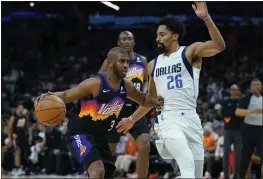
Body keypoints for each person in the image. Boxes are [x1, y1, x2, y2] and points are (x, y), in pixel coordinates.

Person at [116, 2, 226, 178]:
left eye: (162, 34)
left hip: (192, 120)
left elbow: (219, 46)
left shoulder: (190, 52)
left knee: (195, 175)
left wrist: (206, 17)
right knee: (187, 165)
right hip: (167, 120)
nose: (158, 38)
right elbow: (150, 100)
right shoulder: (153, 65)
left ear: (175, 36)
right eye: (157, 35)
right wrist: (131, 119)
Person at [35, 47, 163, 179]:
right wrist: (47, 97)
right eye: (121, 62)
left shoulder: (127, 86)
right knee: (97, 171)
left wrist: (160, 97)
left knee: (106, 174)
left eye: (127, 62)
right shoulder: (95, 84)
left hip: (101, 139)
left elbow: (145, 100)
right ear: (110, 63)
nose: (126, 65)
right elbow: (66, 95)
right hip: (80, 134)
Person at [99, 31, 150, 178]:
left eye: (129, 39)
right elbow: (99, 80)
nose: (127, 41)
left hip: (135, 110)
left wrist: (144, 93)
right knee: (110, 150)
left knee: (145, 144)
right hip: (115, 109)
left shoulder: (143, 60)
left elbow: (146, 80)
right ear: (118, 43)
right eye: (123, 39)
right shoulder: (110, 61)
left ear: (134, 42)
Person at [235, 78, 263, 179]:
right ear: (251, 87)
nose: (256, 86)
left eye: (258, 84)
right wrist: (253, 111)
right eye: (254, 85)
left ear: (261, 86)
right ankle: (241, 176)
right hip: (248, 130)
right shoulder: (247, 98)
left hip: (261, 130)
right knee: (245, 157)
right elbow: (238, 112)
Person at [221, 84, 243, 179]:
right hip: (228, 131)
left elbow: (242, 115)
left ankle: (236, 175)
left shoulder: (241, 102)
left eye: (236, 90)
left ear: (238, 91)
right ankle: (226, 175)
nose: (234, 91)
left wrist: (232, 113)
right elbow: (224, 114)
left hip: (239, 131)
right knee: (226, 152)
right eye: (232, 90)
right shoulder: (225, 102)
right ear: (230, 91)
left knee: (238, 154)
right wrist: (235, 113)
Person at [8, 104, 29, 176]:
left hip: (22, 137)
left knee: (22, 152)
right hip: (15, 136)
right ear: (17, 108)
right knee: (17, 151)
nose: (22, 109)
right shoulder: (13, 117)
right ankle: (16, 168)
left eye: (23, 108)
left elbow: (26, 127)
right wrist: (10, 138)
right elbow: (9, 128)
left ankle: (20, 167)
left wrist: (28, 136)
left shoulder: (24, 117)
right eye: (21, 108)